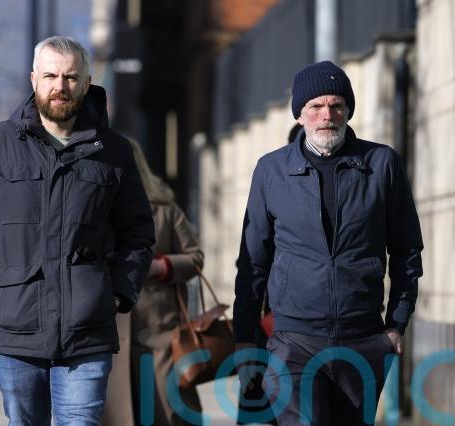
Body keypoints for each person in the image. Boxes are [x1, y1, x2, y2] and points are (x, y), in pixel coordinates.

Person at [0, 36, 155, 425]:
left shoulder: (113, 151)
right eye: (51, 76)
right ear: (33, 80)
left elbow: (138, 232)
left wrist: (119, 291)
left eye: (71, 77)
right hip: (15, 331)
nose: (61, 86)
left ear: (87, 83)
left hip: (88, 331)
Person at [233, 61, 423, 425]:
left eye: (336, 105)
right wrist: (244, 339)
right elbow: (253, 260)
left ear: (348, 111)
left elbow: (407, 250)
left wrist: (395, 325)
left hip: (363, 338)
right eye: (316, 106)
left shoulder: (381, 164)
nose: (327, 115)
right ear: (299, 114)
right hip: (294, 341)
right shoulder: (271, 170)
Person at [102, 139, 203, 426]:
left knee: (166, 414)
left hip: (160, 335)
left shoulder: (164, 210)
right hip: (109, 334)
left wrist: (161, 266)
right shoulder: (93, 207)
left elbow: (195, 258)